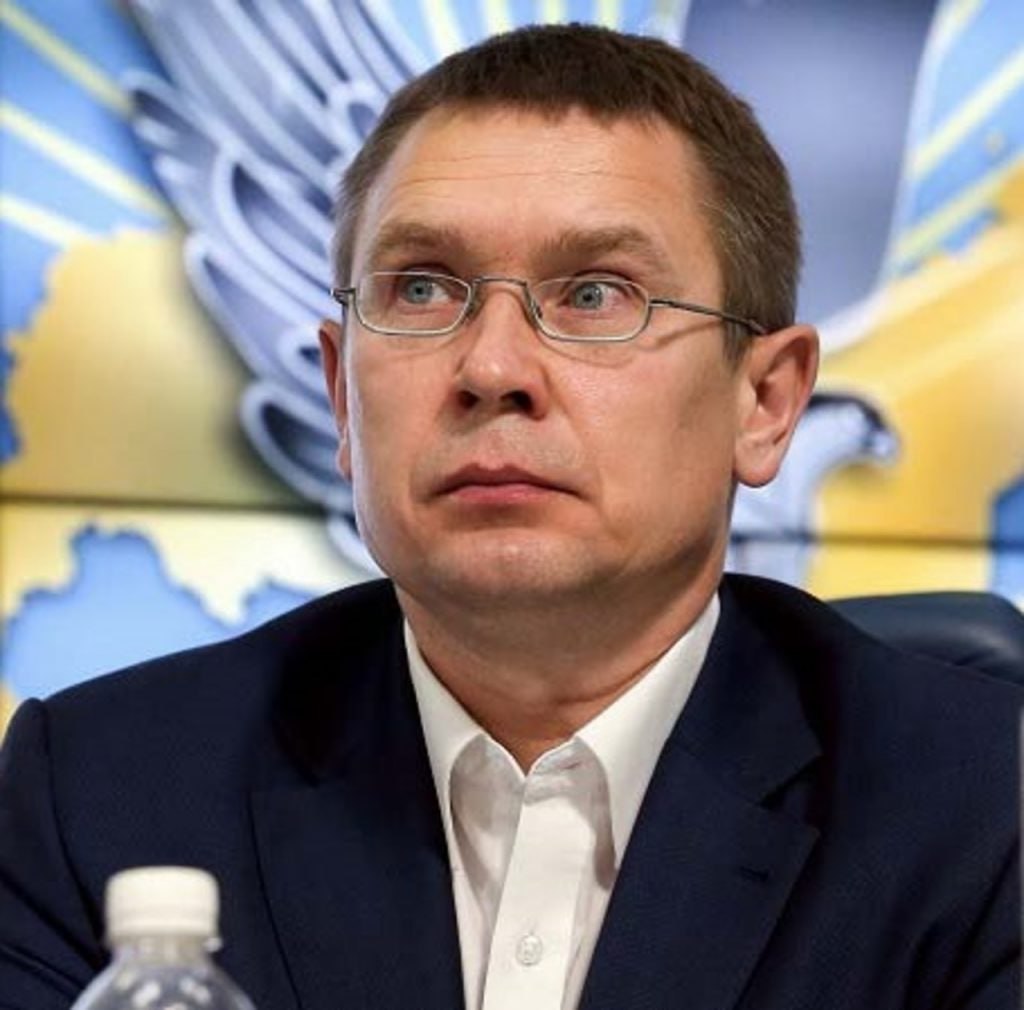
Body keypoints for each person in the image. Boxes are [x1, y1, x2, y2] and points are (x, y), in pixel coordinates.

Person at [0, 23, 1020, 1010]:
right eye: (422, 288)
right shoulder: (98, 795)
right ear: (344, 397)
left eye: (595, 294)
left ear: (764, 402)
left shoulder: (983, 808)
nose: (491, 367)